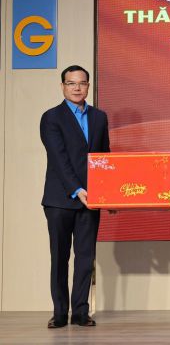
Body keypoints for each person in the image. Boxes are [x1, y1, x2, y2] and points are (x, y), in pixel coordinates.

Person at [40, 65, 110, 329]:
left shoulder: (99, 117)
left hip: (92, 200)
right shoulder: (51, 118)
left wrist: (109, 195)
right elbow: (59, 159)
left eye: (82, 83)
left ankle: (81, 312)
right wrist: (78, 190)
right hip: (60, 200)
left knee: (85, 258)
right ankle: (60, 312)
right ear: (63, 87)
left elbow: (105, 158)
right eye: (71, 84)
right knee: (60, 257)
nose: (77, 88)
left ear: (88, 86)